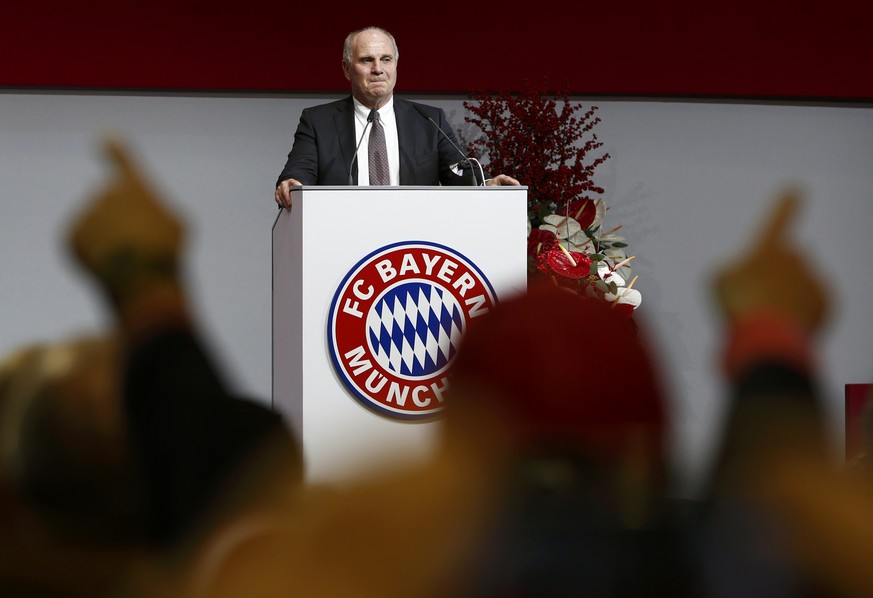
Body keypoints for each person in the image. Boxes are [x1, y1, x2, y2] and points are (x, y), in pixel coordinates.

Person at [274, 26, 519, 210]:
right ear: (347, 69)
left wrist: (487, 186)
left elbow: (461, 175)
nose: (378, 69)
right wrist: (292, 183)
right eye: (366, 60)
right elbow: (300, 170)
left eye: (386, 59)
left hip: (413, 240)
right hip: (342, 236)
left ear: (396, 65)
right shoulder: (318, 121)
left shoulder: (429, 121)